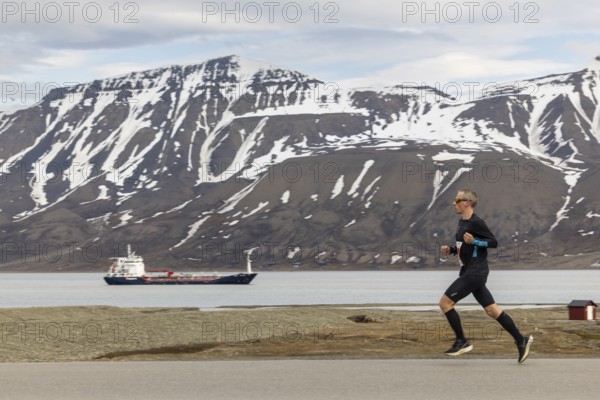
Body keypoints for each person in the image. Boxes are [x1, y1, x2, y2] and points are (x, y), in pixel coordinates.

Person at [439, 189, 533, 363]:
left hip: (475, 273)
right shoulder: (462, 222)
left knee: (445, 303)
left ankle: (462, 341)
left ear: (466, 202)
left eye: (457, 200)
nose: (454, 203)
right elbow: (464, 246)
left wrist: (475, 241)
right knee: (492, 310)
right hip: (469, 272)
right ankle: (521, 340)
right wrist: (452, 249)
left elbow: (493, 242)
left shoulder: (477, 223)